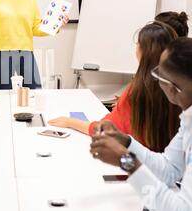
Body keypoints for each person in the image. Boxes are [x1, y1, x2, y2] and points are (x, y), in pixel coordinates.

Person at [90, 37, 192, 211]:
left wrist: (126, 161)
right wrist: (126, 142)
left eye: (159, 76)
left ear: (173, 89)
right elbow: (169, 170)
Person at [49, 22, 181, 152]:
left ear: (144, 51)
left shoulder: (138, 91)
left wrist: (70, 122)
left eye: (138, 44)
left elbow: (106, 131)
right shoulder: (180, 88)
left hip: (133, 164)